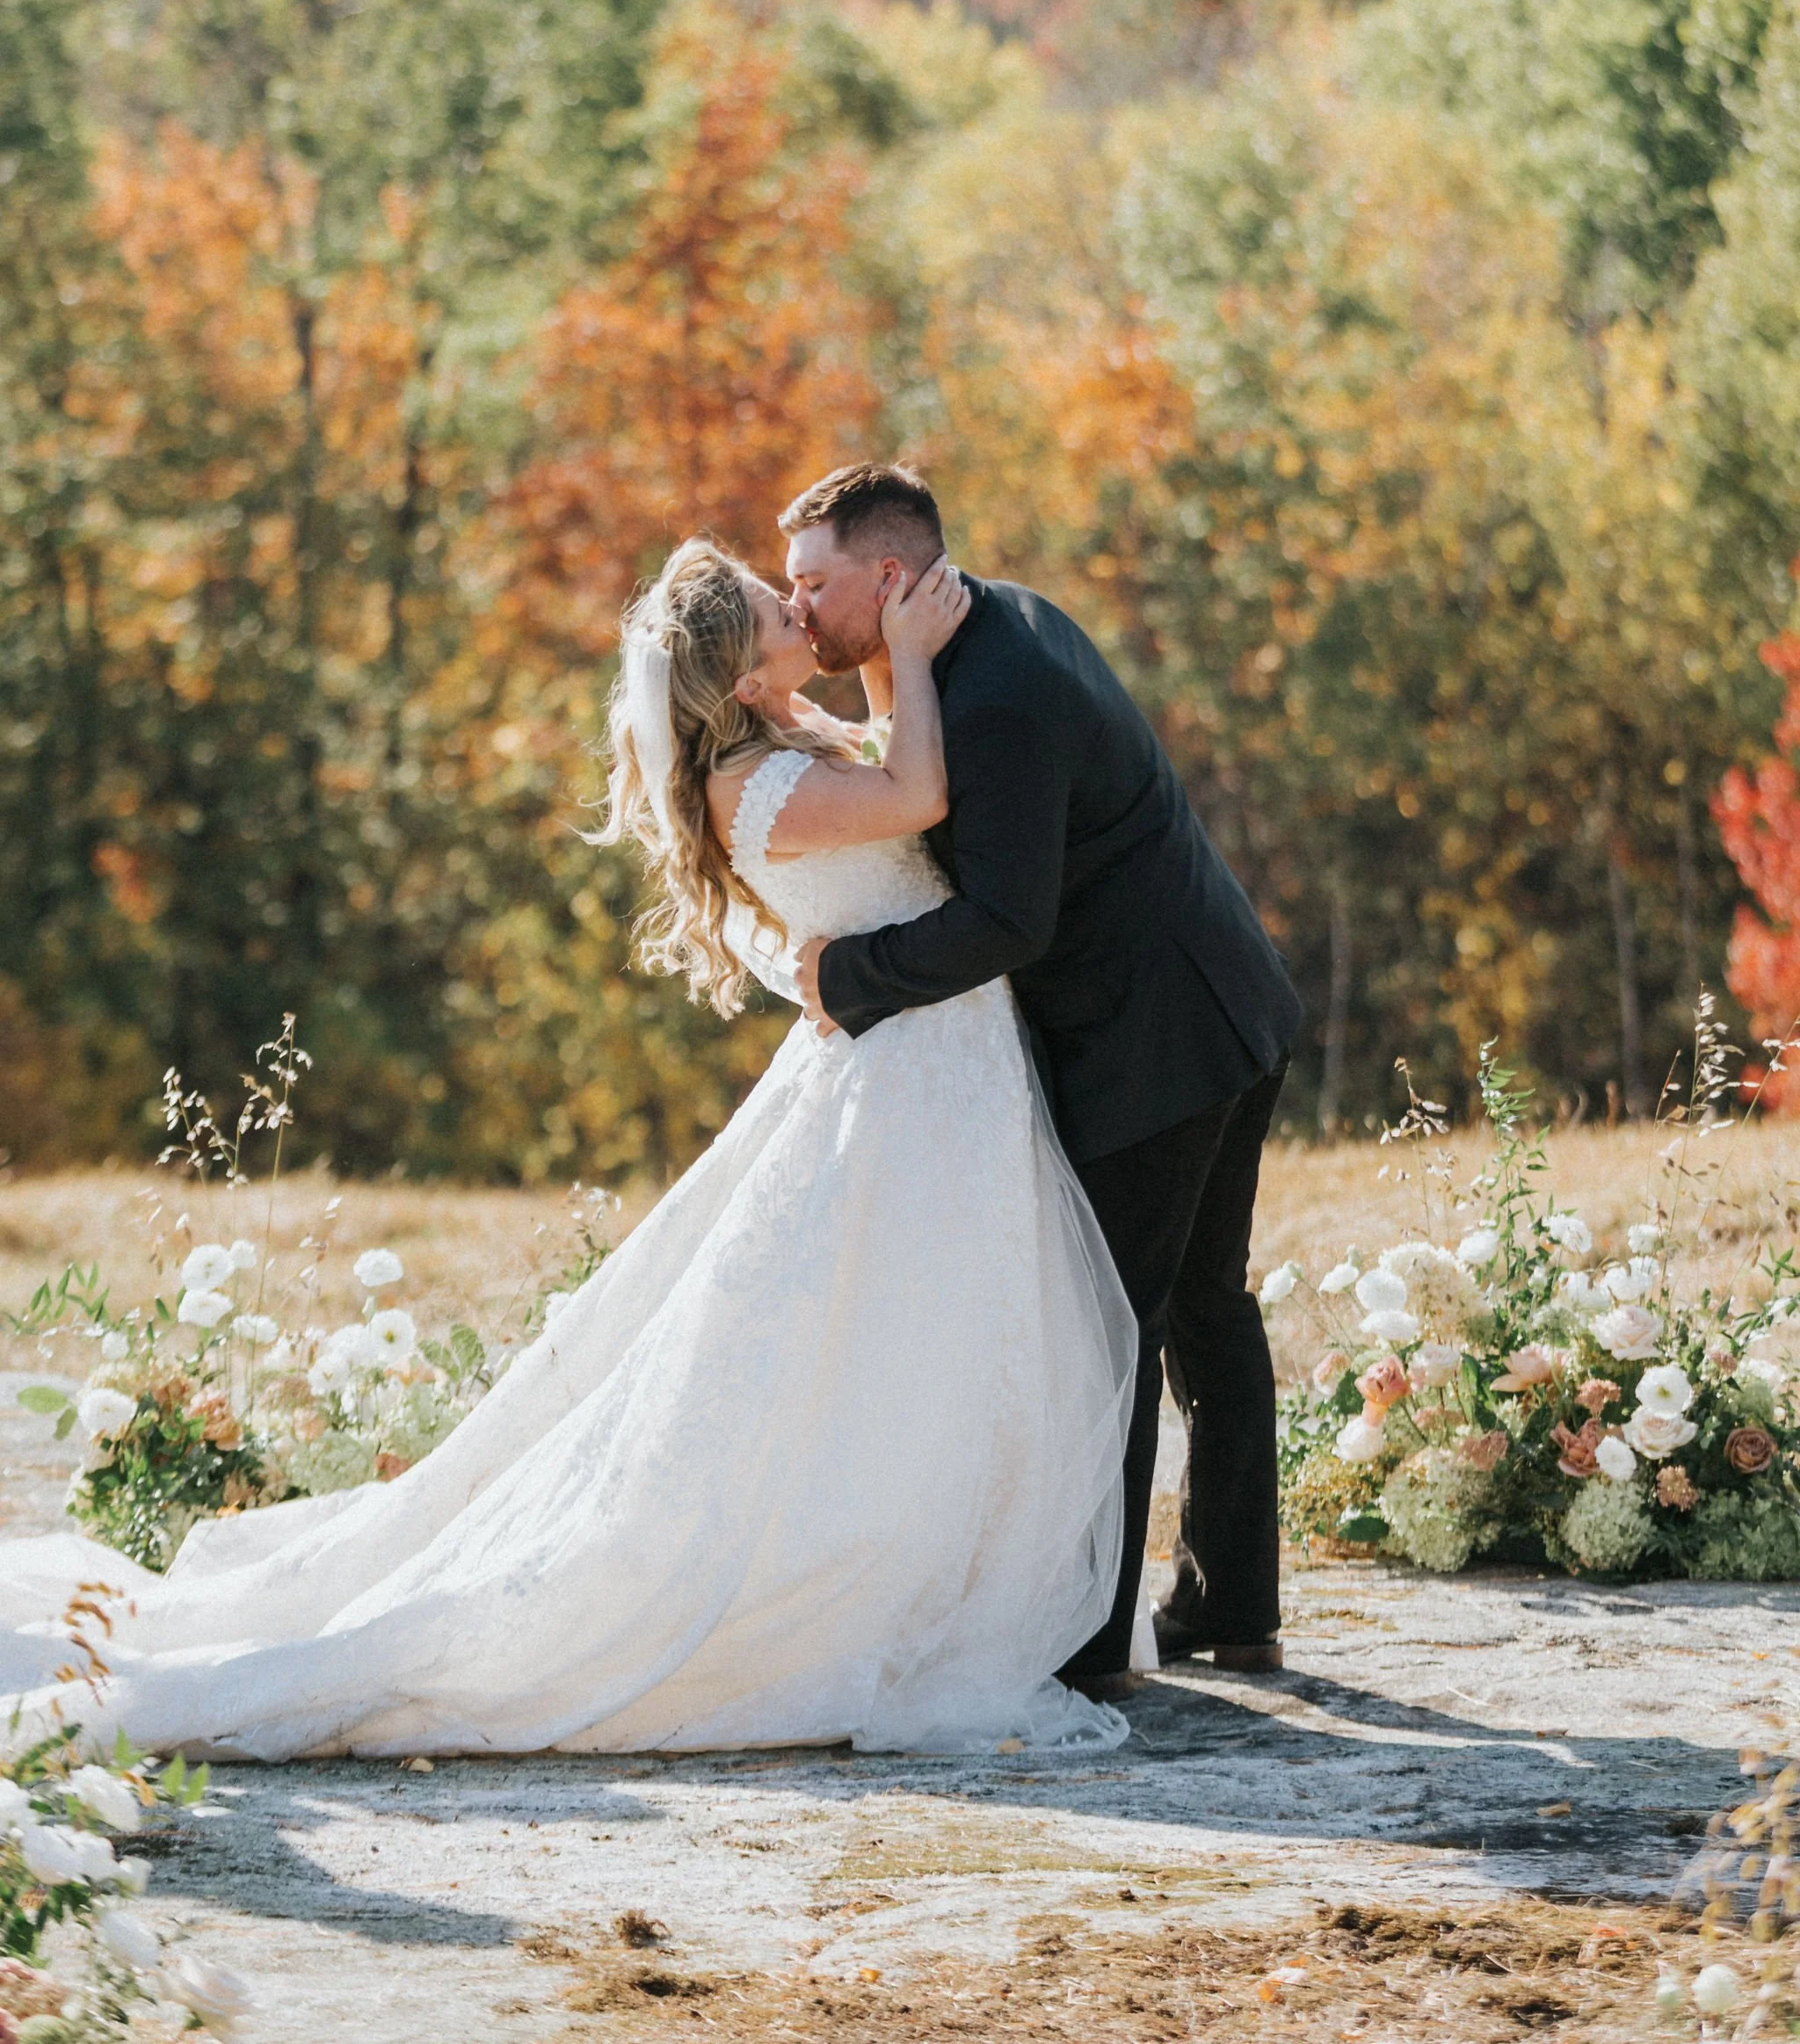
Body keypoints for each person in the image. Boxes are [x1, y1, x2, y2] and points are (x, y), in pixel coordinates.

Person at [0, 538, 1136, 1760]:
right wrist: (906, 656)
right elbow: (920, 799)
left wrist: (869, 686)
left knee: (928, 1335)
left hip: (938, 1063)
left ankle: (937, 1567)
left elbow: (872, 829)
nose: (795, 604)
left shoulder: (782, 743)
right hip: (909, 1075)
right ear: (739, 676)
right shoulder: (749, 789)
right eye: (772, 606)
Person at [780, 463, 1303, 1696]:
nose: (795, 606)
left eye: (812, 583)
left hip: (1155, 1039)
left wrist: (847, 978)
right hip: (1222, 995)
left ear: (891, 578)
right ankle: (1236, 1610)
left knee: (1106, 1320)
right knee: (1207, 1308)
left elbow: (1010, 920)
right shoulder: (997, 623)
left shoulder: (998, 695)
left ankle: (1089, 1641)